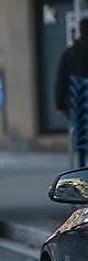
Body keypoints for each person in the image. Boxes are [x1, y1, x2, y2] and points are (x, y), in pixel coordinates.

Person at [56, 19, 88, 167]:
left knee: (80, 137)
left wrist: (60, 104)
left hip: (76, 104)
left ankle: (80, 168)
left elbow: (61, 80)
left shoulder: (71, 52)